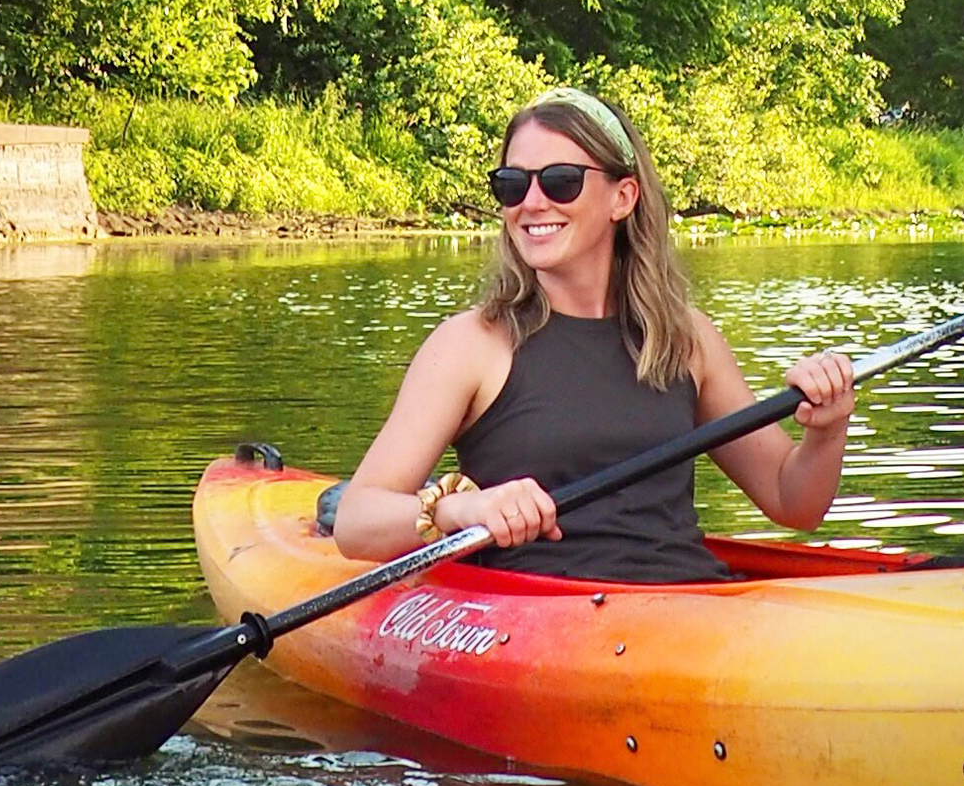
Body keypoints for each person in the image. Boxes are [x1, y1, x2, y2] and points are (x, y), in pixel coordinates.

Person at [331, 87, 856, 583]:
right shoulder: (470, 344)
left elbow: (794, 501)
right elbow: (357, 521)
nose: (531, 202)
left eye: (560, 181)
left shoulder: (685, 339)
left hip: (689, 602)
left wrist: (827, 429)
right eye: (512, 184)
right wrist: (462, 506)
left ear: (622, 197)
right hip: (541, 620)